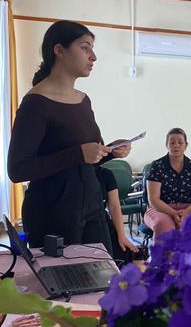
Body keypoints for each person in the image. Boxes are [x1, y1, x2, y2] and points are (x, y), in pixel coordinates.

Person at [8, 20, 131, 252]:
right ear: (59, 50)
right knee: (65, 274)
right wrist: (78, 153)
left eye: (92, 48)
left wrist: (110, 151)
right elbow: (17, 170)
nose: (93, 56)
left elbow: (87, 159)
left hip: (92, 204)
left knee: (103, 271)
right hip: (52, 212)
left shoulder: (83, 100)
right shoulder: (35, 103)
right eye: (85, 47)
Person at [144, 128, 191, 238]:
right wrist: (173, 213)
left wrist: (186, 212)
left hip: (188, 209)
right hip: (160, 209)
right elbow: (153, 199)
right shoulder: (157, 166)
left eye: (180, 142)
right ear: (166, 145)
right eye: (172, 143)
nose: (176, 145)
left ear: (186, 146)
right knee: (164, 225)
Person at [96, 166, 139, 262]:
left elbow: (114, 206)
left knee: (122, 251)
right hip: (73, 221)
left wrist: (121, 235)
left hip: (101, 219)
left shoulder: (105, 174)